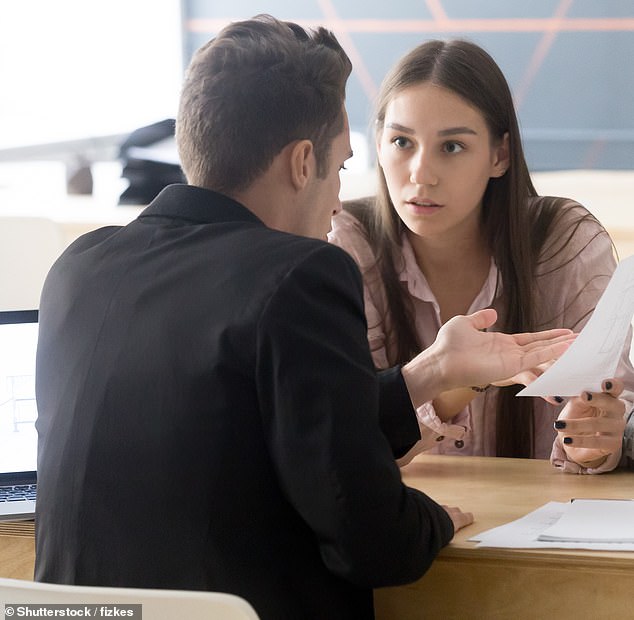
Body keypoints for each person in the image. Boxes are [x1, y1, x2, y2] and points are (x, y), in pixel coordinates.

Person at [34, 18, 574, 620]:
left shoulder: (78, 268)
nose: (340, 199)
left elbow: (262, 426)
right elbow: (374, 543)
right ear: (300, 164)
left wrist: (429, 372)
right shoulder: (299, 275)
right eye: (340, 167)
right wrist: (431, 521)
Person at [329, 38, 634, 474]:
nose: (421, 173)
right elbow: (342, 441)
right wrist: (464, 377)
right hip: (406, 528)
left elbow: (613, 397)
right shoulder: (346, 244)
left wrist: (595, 443)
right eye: (401, 142)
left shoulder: (566, 241)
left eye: (452, 147)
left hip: (540, 525)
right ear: (377, 144)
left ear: (500, 155)